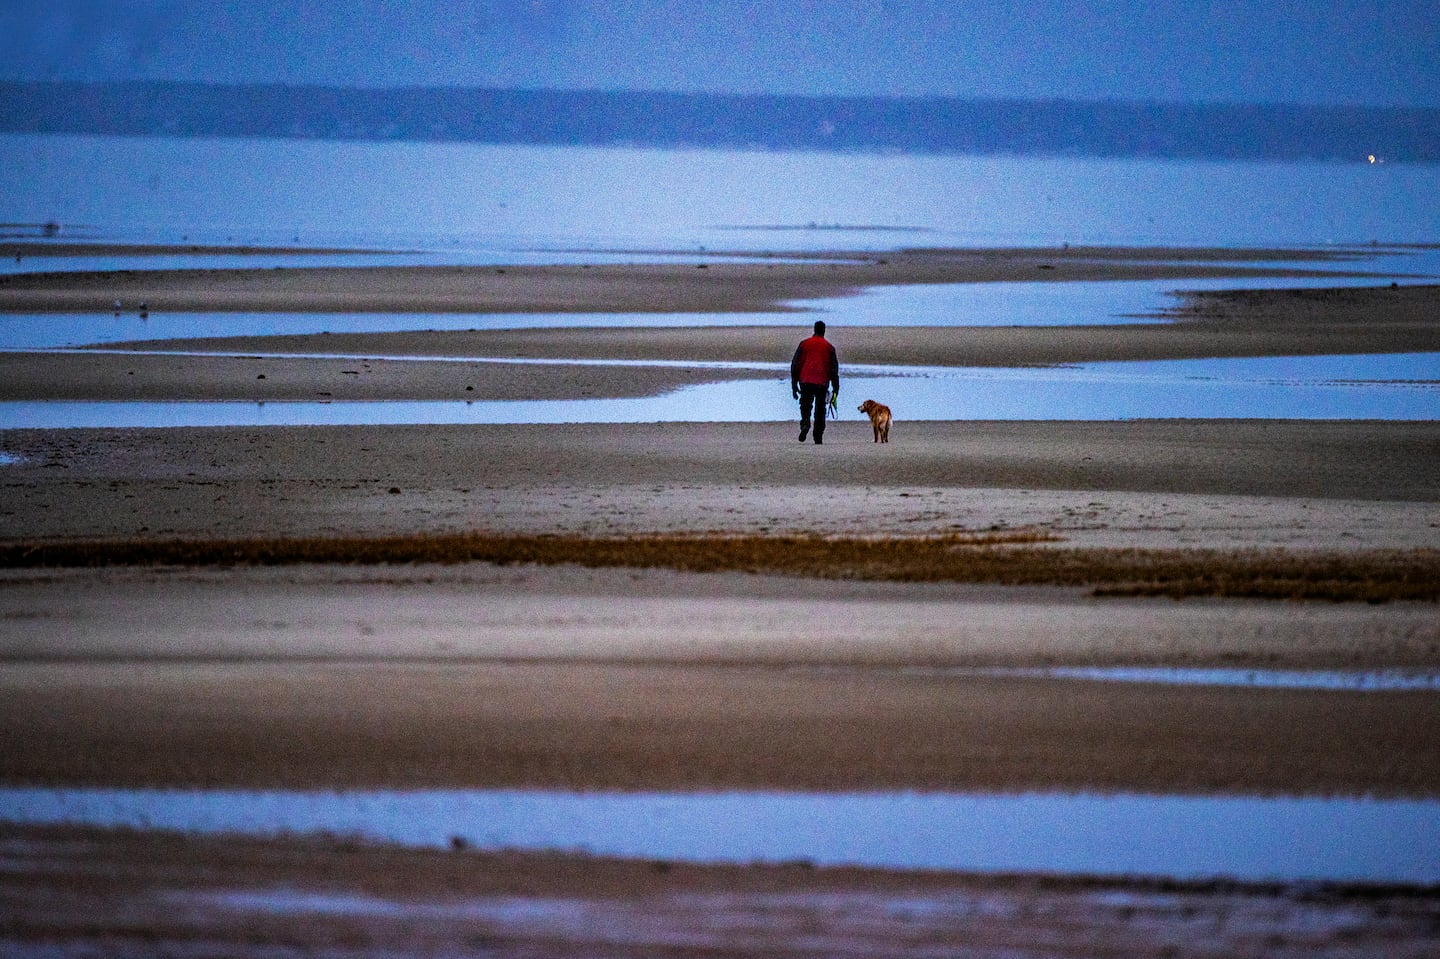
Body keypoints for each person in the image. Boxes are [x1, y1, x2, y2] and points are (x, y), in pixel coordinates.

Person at [790, 319, 840, 444]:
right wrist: (835, 387)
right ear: (824, 331)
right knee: (820, 409)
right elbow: (834, 369)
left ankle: (805, 423)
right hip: (822, 382)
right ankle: (818, 436)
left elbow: (795, 364)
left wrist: (794, 384)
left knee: (805, 405)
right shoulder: (829, 347)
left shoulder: (804, 344)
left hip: (805, 379)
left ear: (814, 329)